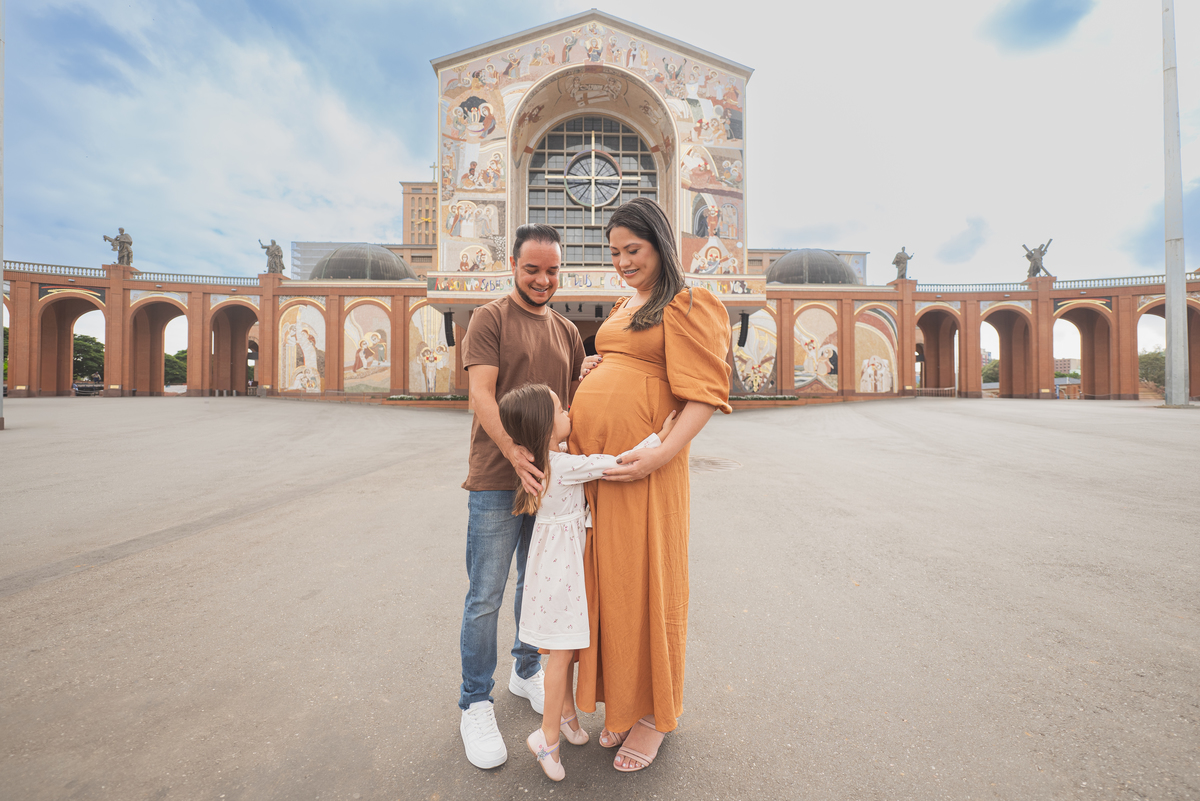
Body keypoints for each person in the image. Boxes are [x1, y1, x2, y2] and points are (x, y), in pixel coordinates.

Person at [570, 197, 732, 772]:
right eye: (614, 252)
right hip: (602, 471)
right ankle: (623, 705)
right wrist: (593, 367)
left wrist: (660, 454)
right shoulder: (625, 304)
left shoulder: (689, 302)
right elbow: (624, 362)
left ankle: (655, 716)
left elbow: (705, 393)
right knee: (610, 583)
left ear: (660, 246)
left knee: (647, 580)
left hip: (644, 469)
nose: (622, 262)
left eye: (632, 250)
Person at [457, 224, 591, 770]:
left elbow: (576, 405)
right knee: (486, 594)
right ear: (513, 265)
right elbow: (480, 395)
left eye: (552, 270)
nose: (542, 279)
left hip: (550, 485)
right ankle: (474, 701)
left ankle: (526, 669)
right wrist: (515, 453)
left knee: (537, 586)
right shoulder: (490, 318)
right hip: (497, 477)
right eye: (532, 268)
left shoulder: (567, 331)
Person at [497, 383, 676, 781]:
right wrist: (661, 438)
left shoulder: (545, 460)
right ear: (547, 427)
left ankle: (567, 719)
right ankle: (547, 739)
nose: (570, 412)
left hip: (548, 570)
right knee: (561, 656)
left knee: (562, 650)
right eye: (562, 410)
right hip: (561, 576)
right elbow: (613, 464)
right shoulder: (562, 465)